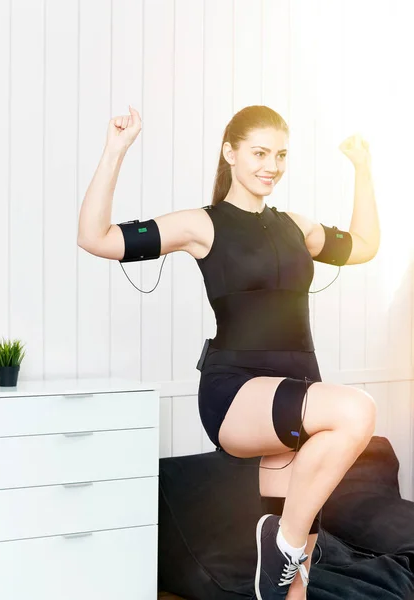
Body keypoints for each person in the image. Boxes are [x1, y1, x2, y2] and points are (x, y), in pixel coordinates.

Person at [78, 104, 380, 600]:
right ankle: (280, 543)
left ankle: (286, 551)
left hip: (297, 389)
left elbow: (365, 244)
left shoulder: (295, 227)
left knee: (294, 584)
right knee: (356, 411)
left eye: (281, 155)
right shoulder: (203, 225)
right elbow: (96, 237)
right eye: (259, 153)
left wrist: (362, 169)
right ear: (230, 153)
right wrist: (116, 150)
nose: (272, 165)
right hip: (236, 391)